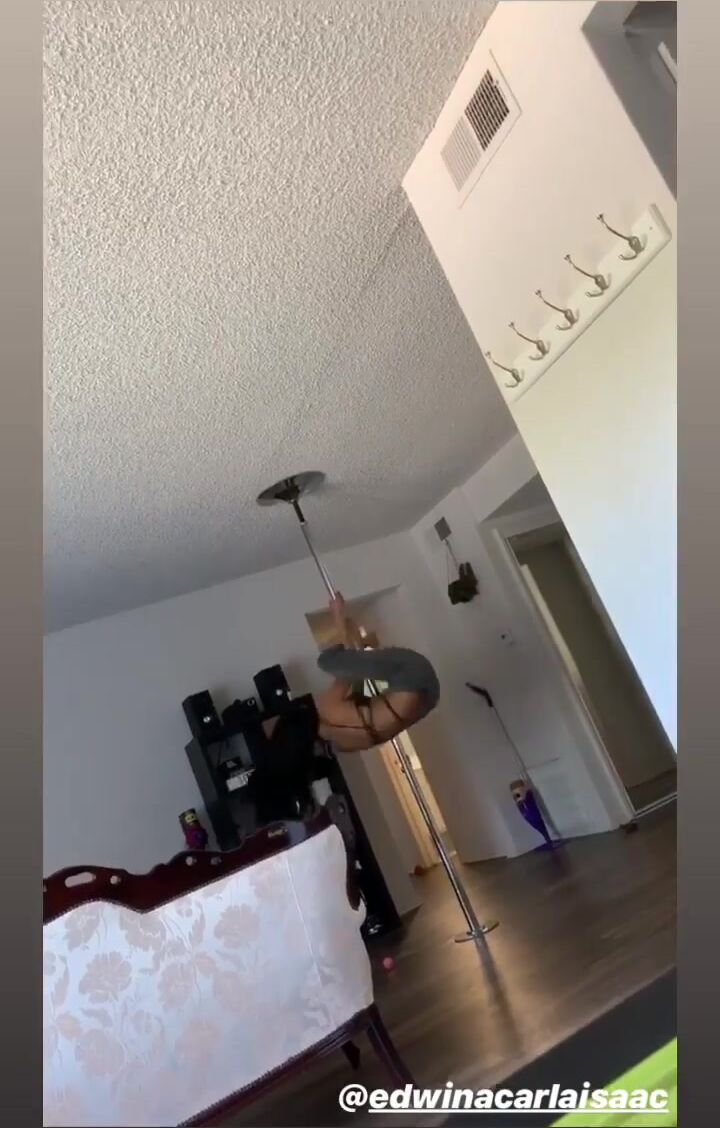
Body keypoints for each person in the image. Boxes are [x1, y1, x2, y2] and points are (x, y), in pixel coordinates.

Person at [312, 593, 440, 752]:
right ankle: (338, 610)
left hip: (429, 696)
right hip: (411, 671)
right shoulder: (327, 709)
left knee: (366, 680)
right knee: (327, 661)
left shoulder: (352, 744)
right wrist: (338, 614)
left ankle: (358, 637)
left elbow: (357, 671)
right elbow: (349, 667)